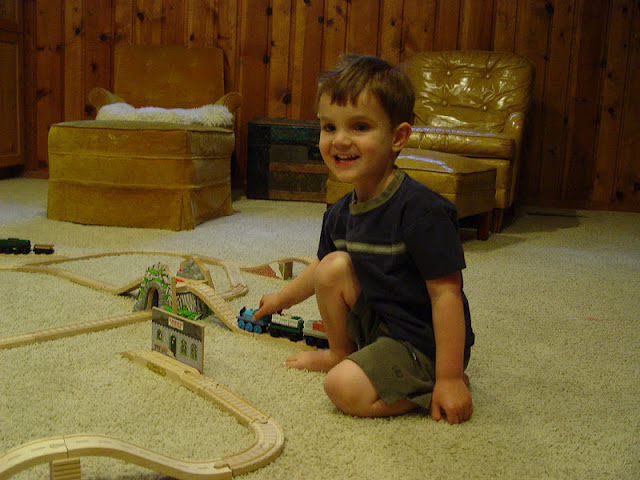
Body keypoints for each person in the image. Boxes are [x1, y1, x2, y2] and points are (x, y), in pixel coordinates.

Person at [253, 54, 474, 424]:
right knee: (332, 266)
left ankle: (428, 385)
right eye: (329, 127)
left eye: (359, 127)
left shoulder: (422, 211)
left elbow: (447, 295)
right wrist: (280, 299)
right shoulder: (339, 213)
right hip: (382, 322)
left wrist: (448, 378)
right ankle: (341, 352)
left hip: (423, 341)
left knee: (342, 388)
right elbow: (321, 272)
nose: (340, 140)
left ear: (398, 137)